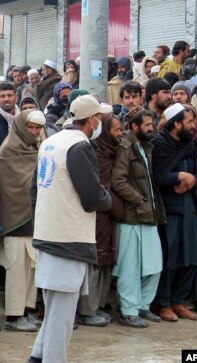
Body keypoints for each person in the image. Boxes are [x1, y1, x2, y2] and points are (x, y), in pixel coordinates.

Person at [25, 95, 112, 363]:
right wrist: (106, 198)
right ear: (92, 119)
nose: (101, 123)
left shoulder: (50, 142)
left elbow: (34, 191)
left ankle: (37, 358)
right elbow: (92, 196)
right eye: (100, 118)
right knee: (62, 314)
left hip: (48, 234)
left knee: (55, 310)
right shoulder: (79, 145)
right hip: (68, 239)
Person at [0, 110, 46, 332]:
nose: (33, 132)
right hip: (15, 219)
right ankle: (14, 317)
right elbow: (19, 184)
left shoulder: (35, 147)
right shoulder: (10, 149)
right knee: (17, 270)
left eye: (37, 128)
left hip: (33, 219)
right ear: (21, 126)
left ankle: (24, 311)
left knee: (31, 269)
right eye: (30, 127)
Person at [111, 107, 165, 328]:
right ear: (134, 126)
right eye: (147, 125)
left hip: (148, 215)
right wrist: (139, 200)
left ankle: (143, 306)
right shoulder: (126, 147)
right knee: (129, 268)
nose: (151, 128)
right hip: (131, 217)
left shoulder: (145, 147)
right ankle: (129, 311)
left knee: (154, 266)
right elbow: (118, 181)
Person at [151, 103, 197, 322]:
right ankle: (163, 304)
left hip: (189, 207)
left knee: (191, 257)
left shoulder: (190, 146)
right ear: (177, 123)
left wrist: (191, 181)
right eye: (189, 122)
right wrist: (178, 176)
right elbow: (157, 177)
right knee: (169, 259)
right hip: (169, 210)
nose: (193, 126)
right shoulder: (159, 145)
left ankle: (179, 301)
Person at [75, 113, 124, 327]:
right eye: (115, 130)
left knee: (105, 261)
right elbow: (97, 187)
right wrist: (115, 206)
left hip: (108, 215)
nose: (120, 133)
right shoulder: (94, 152)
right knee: (93, 264)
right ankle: (87, 310)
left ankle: (97, 306)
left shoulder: (113, 152)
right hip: (95, 215)